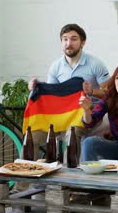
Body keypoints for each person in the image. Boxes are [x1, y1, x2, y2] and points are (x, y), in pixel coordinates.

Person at [28, 23, 110, 160]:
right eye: (65, 39)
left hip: (87, 112)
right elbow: (51, 96)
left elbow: (110, 93)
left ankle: (68, 179)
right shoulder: (56, 66)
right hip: (62, 113)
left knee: (72, 132)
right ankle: (23, 181)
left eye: (73, 39)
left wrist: (92, 92)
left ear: (82, 42)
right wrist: (36, 87)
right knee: (31, 137)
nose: (68, 43)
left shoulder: (96, 64)